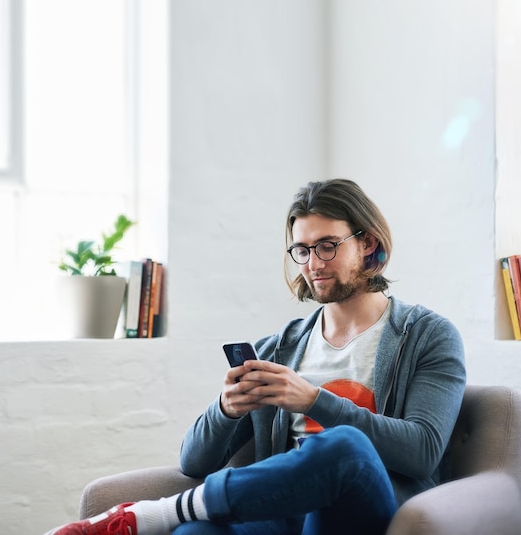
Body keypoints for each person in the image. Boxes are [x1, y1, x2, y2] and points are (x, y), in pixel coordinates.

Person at [44, 178, 466, 535]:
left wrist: (312, 399)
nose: (312, 263)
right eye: (301, 250)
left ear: (368, 244)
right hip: (284, 512)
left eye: (327, 246)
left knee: (345, 445)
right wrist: (226, 409)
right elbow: (194, 461)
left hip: (367, 507)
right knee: (195, 533)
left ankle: (153, 514)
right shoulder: (279, 347)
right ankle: (182, 515)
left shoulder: (427, 335)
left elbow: (423, 451)